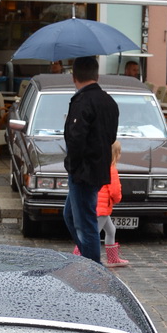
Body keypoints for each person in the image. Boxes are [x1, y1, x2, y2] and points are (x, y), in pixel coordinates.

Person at [62, 55, 120, 263]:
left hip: (84, 172)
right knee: (70, 216)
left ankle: (92, 268)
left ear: (74, 76)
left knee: (86, 225)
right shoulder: (109, 101)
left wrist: (72, 165)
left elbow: (76, 138)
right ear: (96, 75)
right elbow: (111, 137)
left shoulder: (82, 100)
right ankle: (86, 256)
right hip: (97, 169)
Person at [96, 140, 127, 268]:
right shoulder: (112, 170)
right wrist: (117, 199)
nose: (120, 155)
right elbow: (115, 190)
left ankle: (113, 258)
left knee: (111, 230)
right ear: (115, 154)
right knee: (93, 232)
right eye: (119, 153)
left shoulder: (100, 167)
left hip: (100, 206)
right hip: (102, 207)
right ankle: (81, 255)